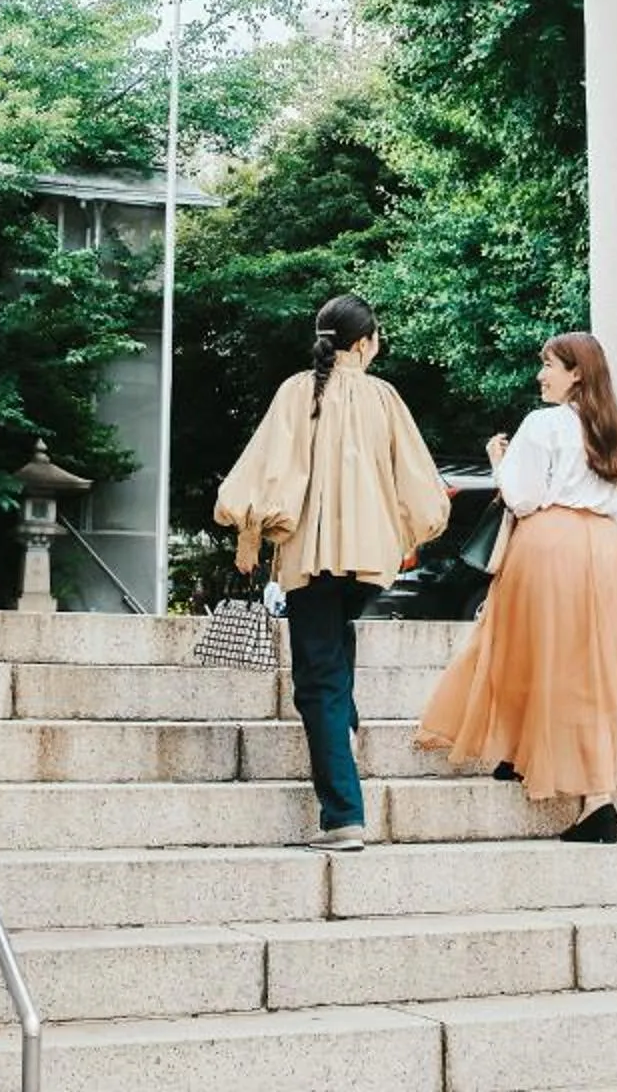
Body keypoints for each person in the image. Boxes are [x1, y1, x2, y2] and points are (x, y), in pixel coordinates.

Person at [414, 331, 617, 843]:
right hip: (604, 548)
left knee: (528, 649)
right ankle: (563, 776)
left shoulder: (544, 424)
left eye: (550, 365)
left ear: (576, 373)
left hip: (550, 544)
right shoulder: (610, 430)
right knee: (591, 663)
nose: (541, 374)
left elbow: (523, 497)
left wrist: (499, 464)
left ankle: (576, 787)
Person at [213, 293, 451, 853]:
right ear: (365, 343)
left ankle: (343, 815)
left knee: (317, 678)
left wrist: (248, 527)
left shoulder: (298, 392)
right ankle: (345, 727)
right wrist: (411, 531)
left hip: (310, 555)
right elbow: (420, 483)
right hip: (370, 558)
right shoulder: (385, 397)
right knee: (334, 650)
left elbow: (264, 469)